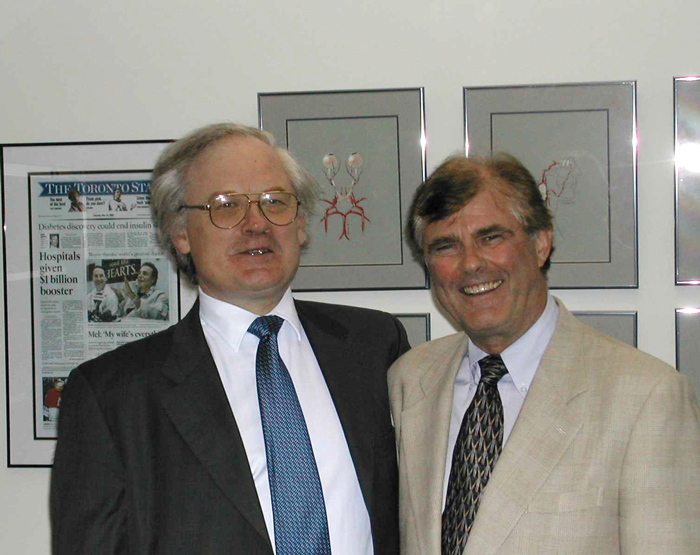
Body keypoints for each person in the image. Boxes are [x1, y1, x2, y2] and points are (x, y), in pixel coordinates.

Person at [51, 123, 410, 555]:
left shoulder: (374, 346)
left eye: (275, 201)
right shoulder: (111, 394)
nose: (256, 223)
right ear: (180, 233)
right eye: (226, 206)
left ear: (300, 224)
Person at [388, 153, 700, 555]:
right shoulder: (409, 380)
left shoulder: (647, 397)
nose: (471, 264)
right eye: (446, 246)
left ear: (540, 244)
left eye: (491, 237)